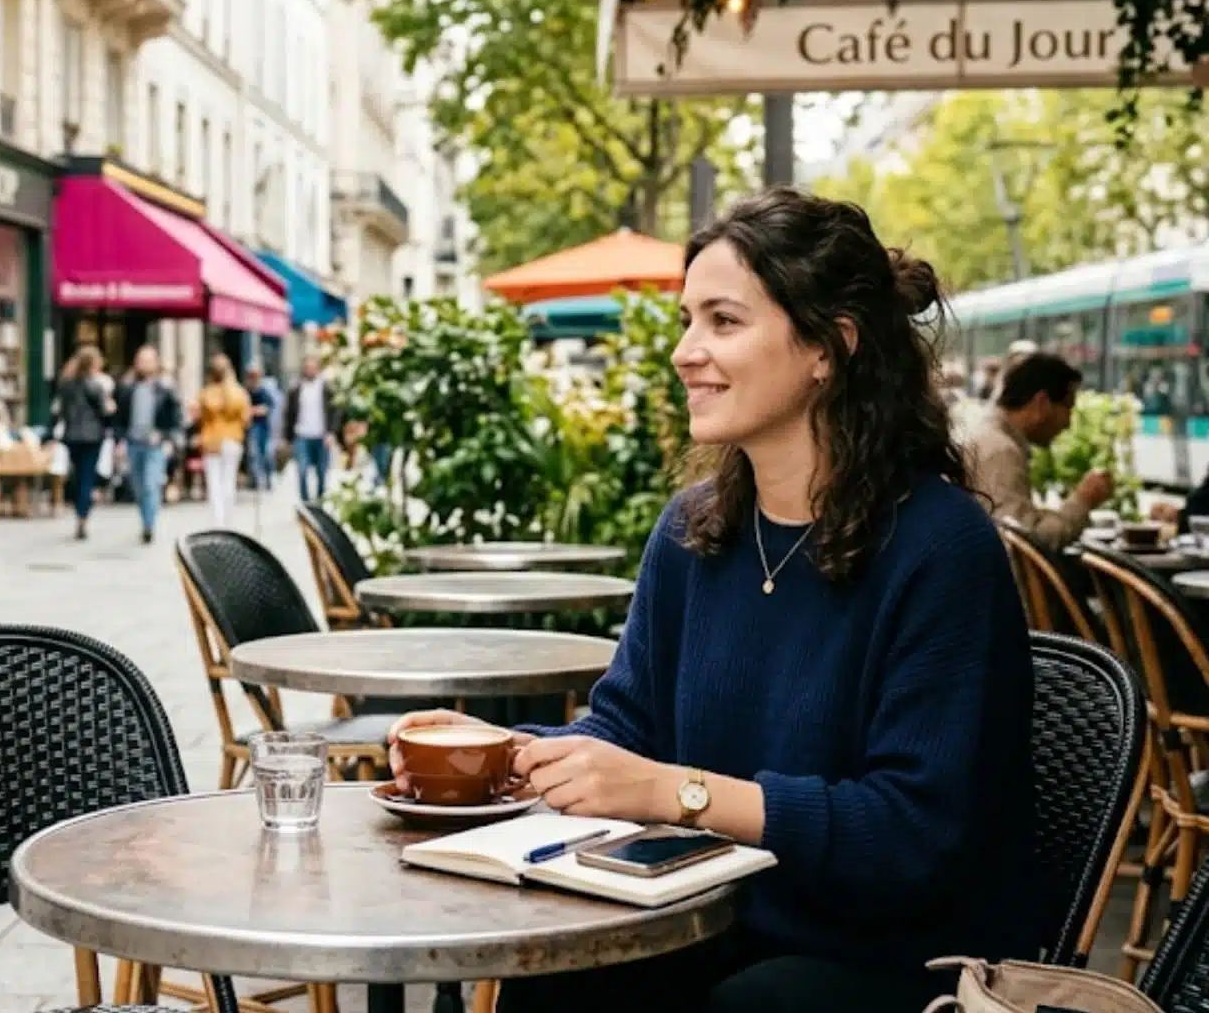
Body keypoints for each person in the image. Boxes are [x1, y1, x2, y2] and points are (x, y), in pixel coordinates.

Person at [388, 187, 1037, 1012]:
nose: (685, 351)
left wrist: (675, 793)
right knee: (544, 981)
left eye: (723, 322)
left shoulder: (939, 549)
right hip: (715, 916)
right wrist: (497, 755)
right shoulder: (697, 530)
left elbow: (913, 834)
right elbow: (627, 730)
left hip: (907, 954)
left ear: (829, 348)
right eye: (687, 320)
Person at [959, 352, 1110, 551]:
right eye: (1068, 408)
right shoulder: (1001, 451)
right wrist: (1082, 501)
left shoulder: (989, 435)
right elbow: (1027, 544)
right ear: (1041, 403)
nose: (1068, 423)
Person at [114, 345, 182, 545]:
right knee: (137, 486)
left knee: (151, 484)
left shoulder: (165, 388)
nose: (144, 364)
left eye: (148, 360)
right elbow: (120, 418)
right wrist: (120, 440)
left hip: (155, 444)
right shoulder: (127, 388)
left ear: (156, 363)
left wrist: (166, 437)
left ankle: (148, 525)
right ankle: (145, 519)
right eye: (141, 360)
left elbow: (175, 417)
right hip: (133, 442)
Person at [53, 345, 114, 541]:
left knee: (79, 475)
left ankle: (80, 508)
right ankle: (82, 515)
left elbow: (60, 411)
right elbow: (103, 411)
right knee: (87, 476)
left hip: (72, 436)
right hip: (92, 437)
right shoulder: (94, 385)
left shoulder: (66, 384)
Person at [195, 354, 251, 529]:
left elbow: (199, 417)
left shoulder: (206, 393)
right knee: (229, 480)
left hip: (211, 440)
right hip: (233, 439)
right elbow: (246, 419)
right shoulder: (239, 393)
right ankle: (228, 519)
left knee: (214, 483)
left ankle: (217, 521)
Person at [284, 355, 339, 502]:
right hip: (302, 435)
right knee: (301, 471)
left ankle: (320, 501)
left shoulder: (327, 388)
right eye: (307, 368)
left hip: (322, 436)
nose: (310, 371)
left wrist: (332, 433)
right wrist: (288, 438)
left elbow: (335, 411)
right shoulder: (296, 388)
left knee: (322, 472)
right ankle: (306, 502)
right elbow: (289, 414)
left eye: (313, 368)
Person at [244, 364, 281, 490]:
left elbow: (267, 408)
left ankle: (268, 479)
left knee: (266, 454)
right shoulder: (246, 392)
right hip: (251, 427)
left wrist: (254, 410)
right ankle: (255, 480)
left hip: (263, 427)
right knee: (253, 454)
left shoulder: (264, 391)